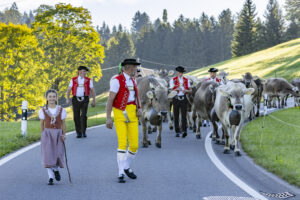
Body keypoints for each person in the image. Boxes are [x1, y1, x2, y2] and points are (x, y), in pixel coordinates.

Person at [106, 58, 142, 183]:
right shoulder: (116, 81)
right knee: (122, 143)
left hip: (132, 112)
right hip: (120, 112)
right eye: (134, 67)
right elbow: (110, 100)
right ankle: (121, 172)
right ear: (128, 67)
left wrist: (139, 108)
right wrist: (108, 118)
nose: (136, 69)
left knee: (134, 145)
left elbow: (136, 96)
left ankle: (126, 166)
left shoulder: (133, 80)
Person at [39, 89, 67, 185]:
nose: (52, 98)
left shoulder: (61, 110)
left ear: (56, 98)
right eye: (50, 96)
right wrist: (43, 135)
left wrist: (64, 134)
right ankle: (50, 177)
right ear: (46, 98)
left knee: (57, 154)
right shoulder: (43, 110)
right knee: (48, 155)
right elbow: (42, 124)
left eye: (53, 96)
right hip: (47, 134)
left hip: (58, 134)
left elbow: (63, 123)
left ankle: (56, 169)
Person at [66, 66, 96, 138]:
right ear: (79, 72)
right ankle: (78, 132)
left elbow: (92, 90)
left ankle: (83, 131)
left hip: (85, 99)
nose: (83, 73)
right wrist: (67, 98)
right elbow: (69, 89)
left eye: (85, 71)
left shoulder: (88, 80)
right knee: (76, 116)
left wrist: (94, 100)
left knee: (83, 115)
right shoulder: (73, 80)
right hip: (75, 99)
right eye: (81, 71)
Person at [170, 66, 191, 138]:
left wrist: (186, 91)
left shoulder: (186, 80)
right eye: (180, 73)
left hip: (184, 98)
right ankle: (177, 131)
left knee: (184, 115)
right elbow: (170, 90)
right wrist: (176, 89)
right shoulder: (173, 79)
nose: (181, 74)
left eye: (182, 73)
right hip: (176, 98)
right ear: (177, 73)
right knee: (176, 116)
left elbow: (190, 90)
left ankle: (184, 130)